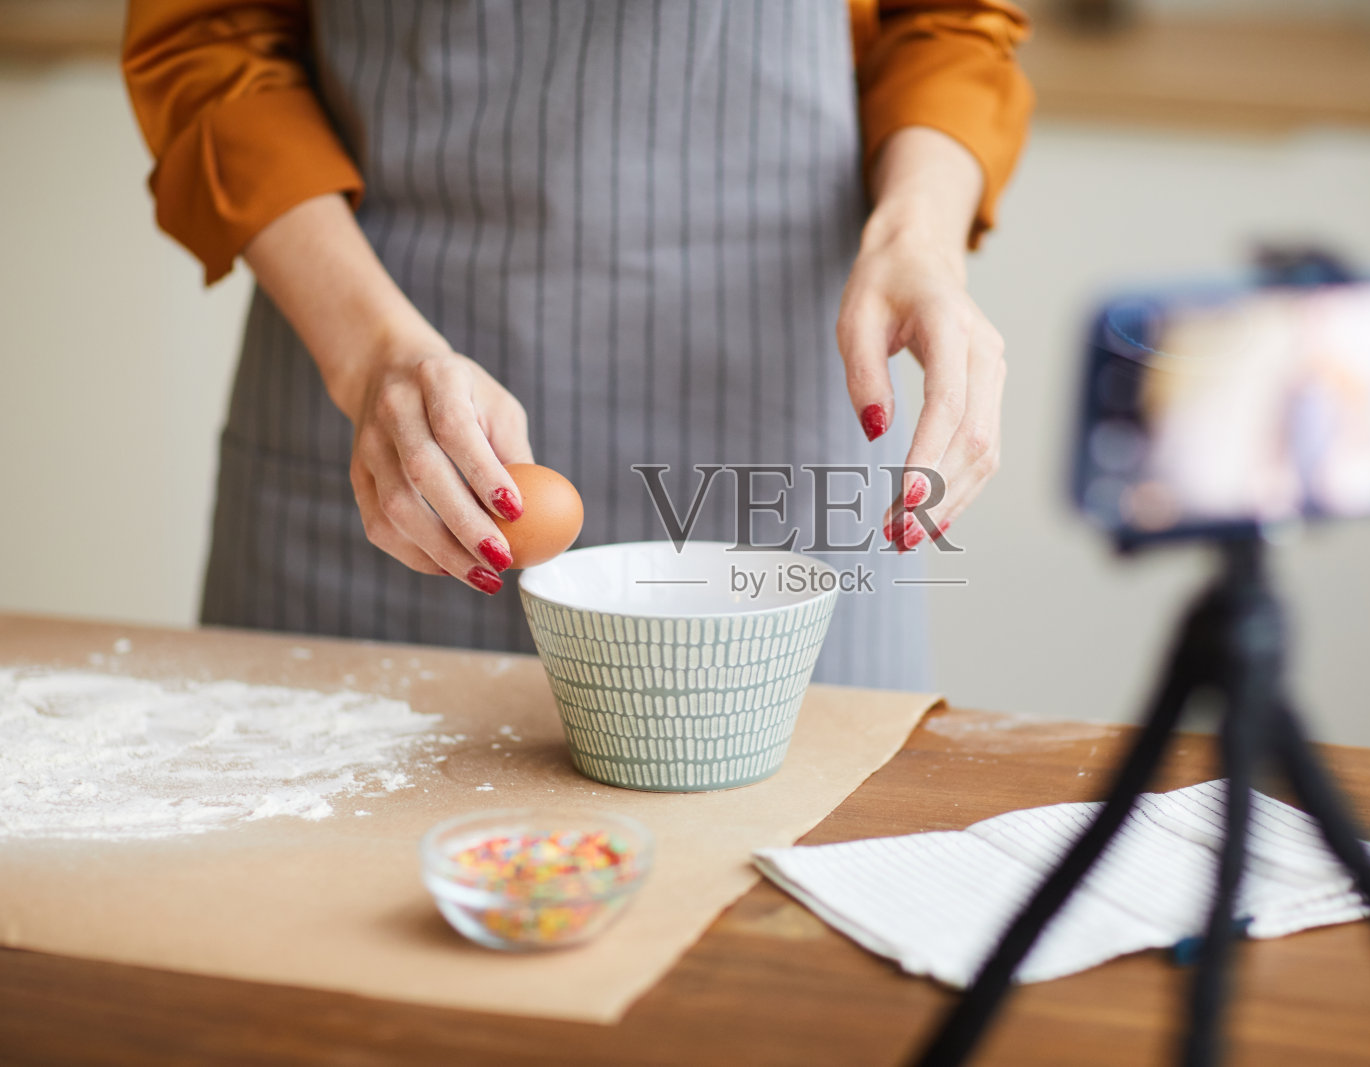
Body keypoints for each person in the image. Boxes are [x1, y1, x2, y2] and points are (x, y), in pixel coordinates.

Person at [122, 0, 1032, 689]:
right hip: (391, 407)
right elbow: (209, 41)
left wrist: (916, 239)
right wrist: (371, 358)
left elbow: (949, 22)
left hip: (776, 427)